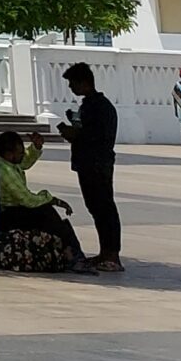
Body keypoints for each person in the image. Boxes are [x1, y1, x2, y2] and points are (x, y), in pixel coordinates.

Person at [58, 61, 123, 272]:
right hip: (90, 162)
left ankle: (112, 254)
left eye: (73, 83)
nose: (71, 88)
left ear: (84, 83)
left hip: (97, 163)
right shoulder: (91, 105)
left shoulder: (99, 107)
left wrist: (74, 134)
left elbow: (94, 136)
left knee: (104, 207)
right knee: (97, 207)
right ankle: (106, 252)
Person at [0, 129, 87, 268]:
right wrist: (51, 199)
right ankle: (71, 252)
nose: (23, 155)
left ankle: (71, 250)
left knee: (49, 215)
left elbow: (23, 163)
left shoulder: (7, 163)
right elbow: (28, 200)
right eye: (20, 153)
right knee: (45, 212)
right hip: (8, 214)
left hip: (14, 209)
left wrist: (35, 148)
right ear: (9, 154)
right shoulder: (4, 172)